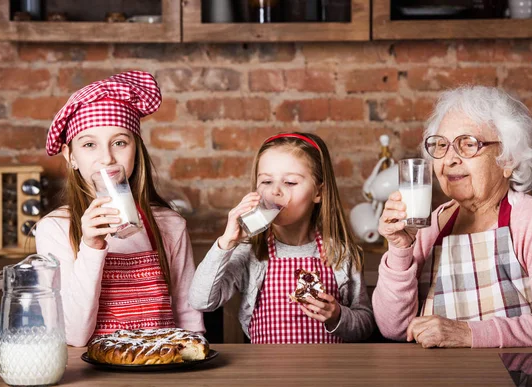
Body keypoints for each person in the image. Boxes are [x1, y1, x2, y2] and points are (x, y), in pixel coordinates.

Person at [373, 86, 532, 348]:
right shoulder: (430, 226)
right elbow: (395, 328)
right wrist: (400, 249)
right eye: (441, 146)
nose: (450, 159)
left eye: (468, 144)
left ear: (508, 159)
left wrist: (468, 333)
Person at [36, 71, 204, 347]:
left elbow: (188, 319)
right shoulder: (54, 229)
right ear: (71, 156)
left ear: (136, 150)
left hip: (158, 368)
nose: (107, 158)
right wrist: (90, 246)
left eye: (120, 142)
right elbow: (75, 335)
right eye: (89, 145)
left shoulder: (171, 224)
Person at [188, 132, 375, 343]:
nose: (275, 191)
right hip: (266, 374)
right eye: (266, 181)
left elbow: (365, 325)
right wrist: (226, 242)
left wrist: (337, 316)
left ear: (318, 193)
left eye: (290, 182)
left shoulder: (341, 253)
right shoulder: (249, 252)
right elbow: (201, 301)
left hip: (326, 374)